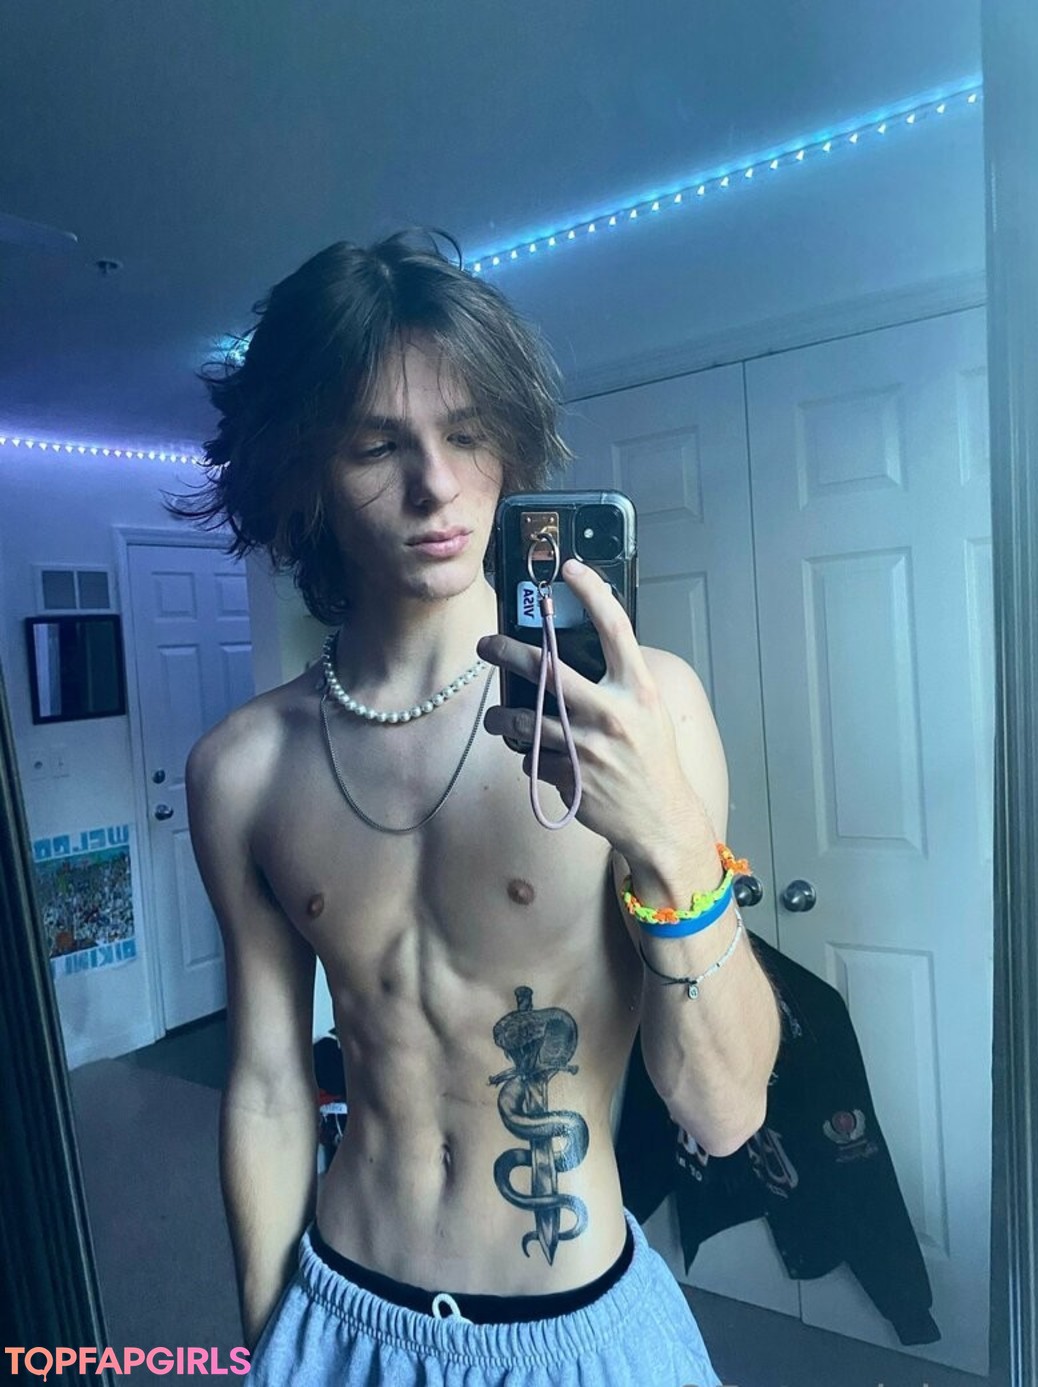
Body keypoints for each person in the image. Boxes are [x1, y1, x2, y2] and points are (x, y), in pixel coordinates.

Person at [179, 230, 780, 1386]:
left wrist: (667, 837)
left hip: (578, 1329)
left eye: (467, 435)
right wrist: (268, 1339)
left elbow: (725, 1112)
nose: (437, 487)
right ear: (305, 470)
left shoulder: (643, 716)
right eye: (377, 446)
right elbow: (266, 1081)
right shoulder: (241, 770)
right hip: (338, 1315)